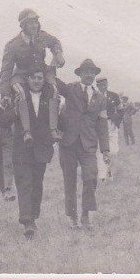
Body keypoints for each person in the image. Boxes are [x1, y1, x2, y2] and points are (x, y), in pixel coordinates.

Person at [55, 59, 110, 229]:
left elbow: (102, 125)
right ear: (79, 74)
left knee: (91, 176)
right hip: (68, 144)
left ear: (95, 75)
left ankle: (86, 214)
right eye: (85, 72)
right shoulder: (71, 89)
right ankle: (73, 218)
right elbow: (56, 82)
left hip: (88, 145)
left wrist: (105, 149)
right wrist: (50, 64)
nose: (88, 75)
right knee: (69, 182)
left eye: (92, 72)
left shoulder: (100, 98)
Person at [0, 8, 64, 144]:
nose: (35, 25)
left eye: (36, 21)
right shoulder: (13, 45)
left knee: (54, 90)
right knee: (21, 93)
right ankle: (26, 132)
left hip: (42, 72)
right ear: (23, 25)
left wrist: (58, 54)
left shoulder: (42, 36)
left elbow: (55, 42)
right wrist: (5, 93)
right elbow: (6, 70)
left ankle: (53, 129)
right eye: (30, 23)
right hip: (22, 74)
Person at [8, 66, 55, 239]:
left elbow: (57, 121)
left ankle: (33, 217)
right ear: (27, 79)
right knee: (24, 184)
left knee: (37, 185)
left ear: (44, 80)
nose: (37, 81)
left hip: (41, 150)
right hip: (22, 150)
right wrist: (13, 110)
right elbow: (4, 120)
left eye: (40, 78)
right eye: (33, 77)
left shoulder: (50, 98)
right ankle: (27, 222)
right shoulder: (18, 96)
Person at [95, 75, 121, 181]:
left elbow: (121, 110)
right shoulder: (94, 96)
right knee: (101, 151)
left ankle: (109, 171)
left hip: (111, 125)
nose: (103, 86)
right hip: (100, 126)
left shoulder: (114, 96)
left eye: (105, 84)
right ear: (97, 85)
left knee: (113, 151)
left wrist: (116, 122)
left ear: (107, 84)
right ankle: (102, 176)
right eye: (100, 84)